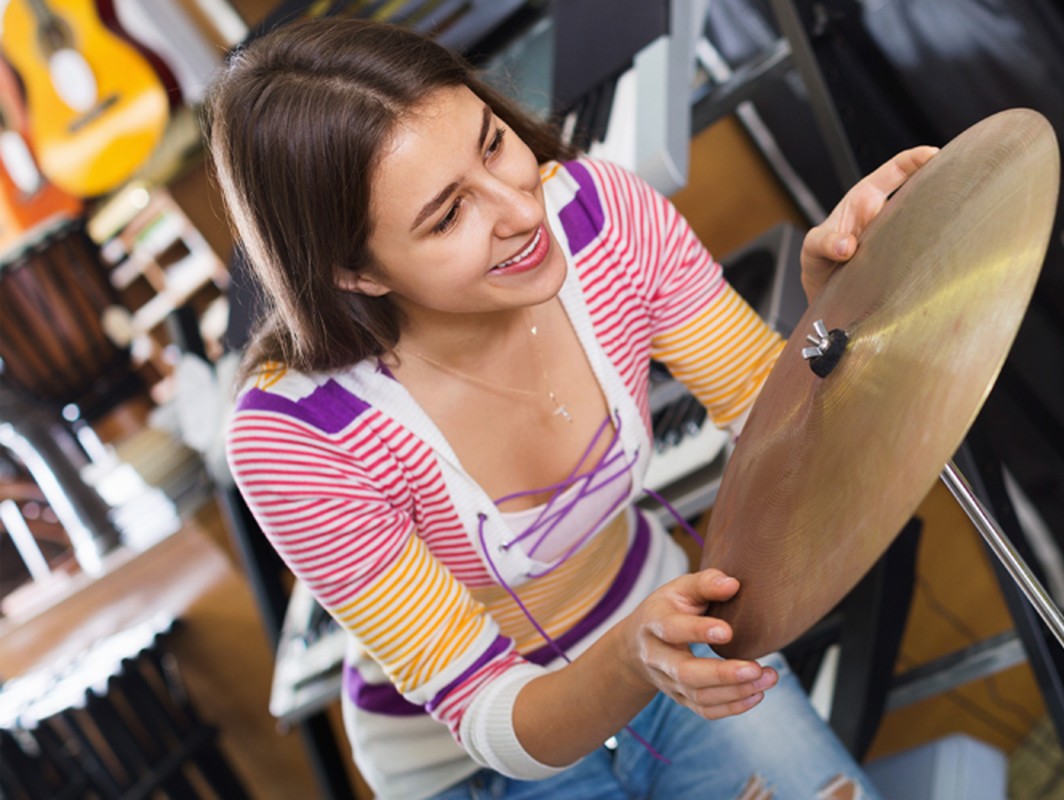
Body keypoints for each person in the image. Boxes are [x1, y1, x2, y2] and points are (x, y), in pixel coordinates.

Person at [207, 16, 936, 800]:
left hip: (656, 629)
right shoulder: (295, 435)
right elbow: (485, 709)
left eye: (493, 144)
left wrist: (835, 315)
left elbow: (792, 442)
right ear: (357, 273)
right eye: (448, 215)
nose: (522, 212)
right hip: (475, 764)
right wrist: (629, 658)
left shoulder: (601, 216)